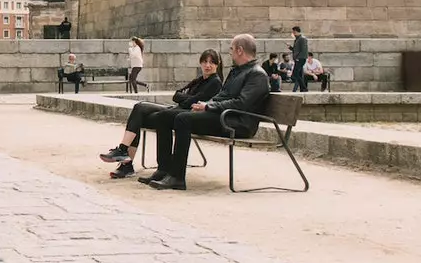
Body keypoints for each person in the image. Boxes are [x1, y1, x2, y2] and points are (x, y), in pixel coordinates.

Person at [138, 34, 271, 190]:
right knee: (164, 116)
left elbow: (242, 103)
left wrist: (208, 107)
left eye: (232, 49)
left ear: (240, 50)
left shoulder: (257, 74)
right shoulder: (238, 71)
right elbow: (222, 96)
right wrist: (205, 104)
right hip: (224, 116)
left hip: (237, 123)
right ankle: (163, 169)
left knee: (183, 119)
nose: (230, 52)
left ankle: (177, 177)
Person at [99, 49, 223, 179]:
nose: (208, 65)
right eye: (205, 62)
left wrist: (184, 98)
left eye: (211, 63)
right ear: (200, 63)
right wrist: (185, 98)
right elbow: (176, 95)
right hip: (175, 110)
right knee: (139, 108)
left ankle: (126, 162)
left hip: (182, 117)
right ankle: (124, 153)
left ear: (217, 64)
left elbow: (189, 102)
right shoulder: (198, 80)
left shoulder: (215, 82)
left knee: (142, 115)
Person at [289, 26, 310, 93]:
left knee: (295, 74)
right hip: (298, 58)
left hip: (300, 59)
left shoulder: (302, 39)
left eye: (293, 31)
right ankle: (302, 88)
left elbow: (303, 50)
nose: (293, 33)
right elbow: (296, 50)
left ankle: (304, 88)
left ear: (295, 31)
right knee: (300, 74)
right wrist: (290, 48)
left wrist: (298, 58)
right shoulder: (297, 39)